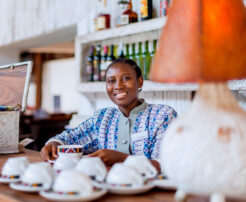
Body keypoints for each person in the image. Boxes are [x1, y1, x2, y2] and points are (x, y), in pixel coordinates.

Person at [40, 57, 177, 171]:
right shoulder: (102, 118)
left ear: (139, 82)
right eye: (111, 81)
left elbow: (167, 165)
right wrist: (53, 143)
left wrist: (123, 159)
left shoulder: (162, 115)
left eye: (125, 78)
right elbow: (69, 138)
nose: (118, 86)